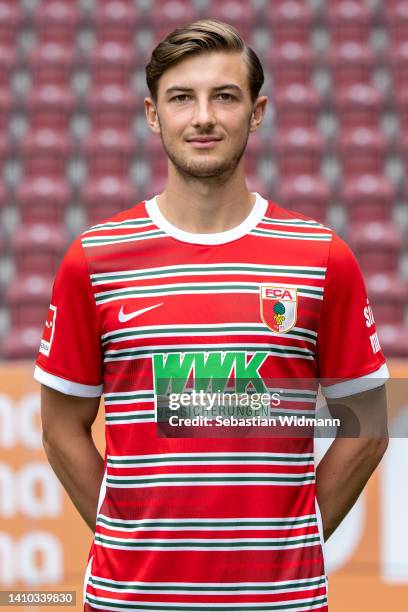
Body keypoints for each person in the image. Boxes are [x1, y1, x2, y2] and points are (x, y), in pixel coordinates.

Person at [35, 19, 389, 612]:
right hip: (131, 600)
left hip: (282, 601)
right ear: (153, 114)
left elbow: (370, 425)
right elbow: (59, 427)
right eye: (182, 98)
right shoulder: (93, 260)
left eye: (225, 96)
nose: (203, 117)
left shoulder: (322, 256)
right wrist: (129, 544)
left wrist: (292, 544)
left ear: (257, 112)